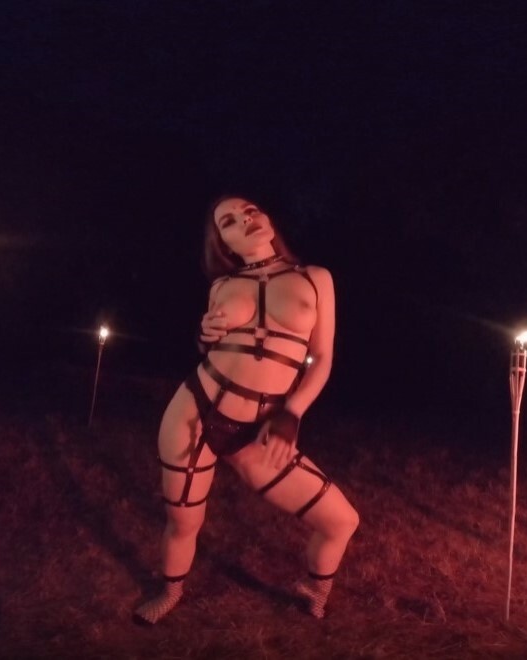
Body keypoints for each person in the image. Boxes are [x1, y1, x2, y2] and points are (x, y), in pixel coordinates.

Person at [134, 196, 359, 624]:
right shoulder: (222, 285)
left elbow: (323, 359)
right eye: (230, 221)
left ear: (267, 217)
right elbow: (214, 345)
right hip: (194, 410)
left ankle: (317, 588)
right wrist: (203, 334)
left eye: (250, 210)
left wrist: (292, 412)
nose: (246, 219)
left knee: (341, 520)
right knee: (183, 522)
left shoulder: (315, 278)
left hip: (259, 429)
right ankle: (170, 592)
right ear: (225, 244)